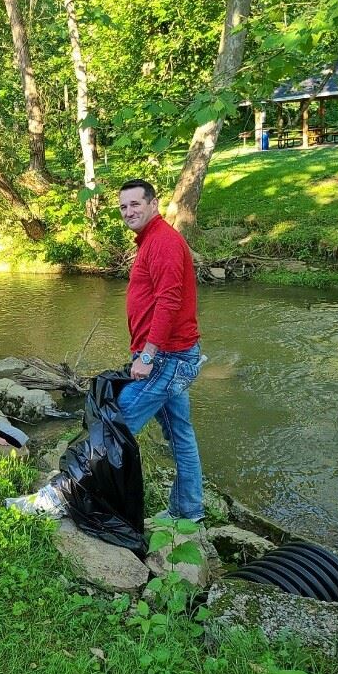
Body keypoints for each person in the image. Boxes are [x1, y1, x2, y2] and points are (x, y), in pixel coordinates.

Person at [116, 179, 206, 522]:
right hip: (170, 356)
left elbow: (169, 302)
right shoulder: (150, 240)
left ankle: (66, 499)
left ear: (153, 204)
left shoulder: (164, 241)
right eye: (123, 207)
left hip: (166, 358)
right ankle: (188, 512)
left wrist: (147, 356)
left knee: (115, 425)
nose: (128, 212)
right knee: (180, 434)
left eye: (135, 204)